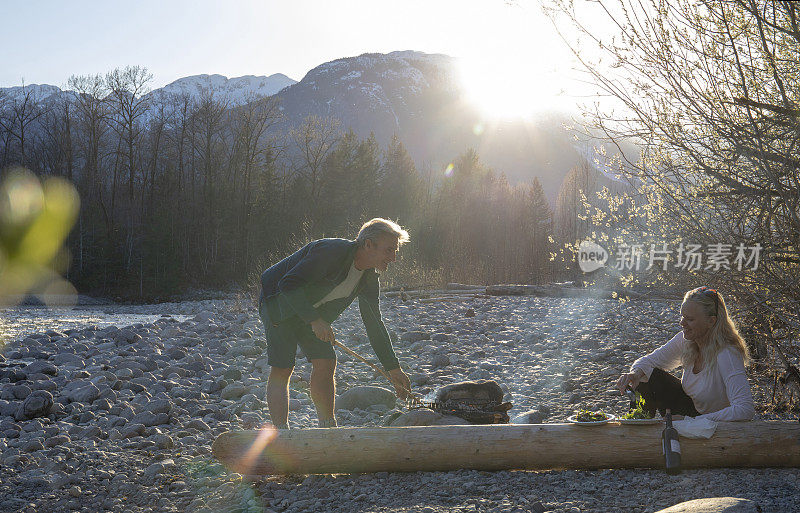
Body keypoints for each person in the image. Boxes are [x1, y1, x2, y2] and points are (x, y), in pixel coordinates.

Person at [258, 218, 413, 429]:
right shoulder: (332, 251)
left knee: (326, 361)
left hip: (312, 311)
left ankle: (328, 428)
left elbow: (374, 323)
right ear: (368, 245)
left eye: (395, 251)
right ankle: (281, 433)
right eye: (389, 250)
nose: (393, 258)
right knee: (283, 367)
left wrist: (393, 369)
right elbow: (287, 283)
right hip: (278, 302)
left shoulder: (369, 278)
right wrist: (315, 320)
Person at [616, 286, 755, 421]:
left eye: (690, 319)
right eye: (682, 317)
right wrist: (634, 374)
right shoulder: (685, 340)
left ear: (711, 321)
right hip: (692, 412)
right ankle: (638, 428)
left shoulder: (727, 353)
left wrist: (692, 420)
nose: (682, 323)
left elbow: (745, 409)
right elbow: (648, 362)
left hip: (718, 424)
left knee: (646, 375)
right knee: (645, 375)